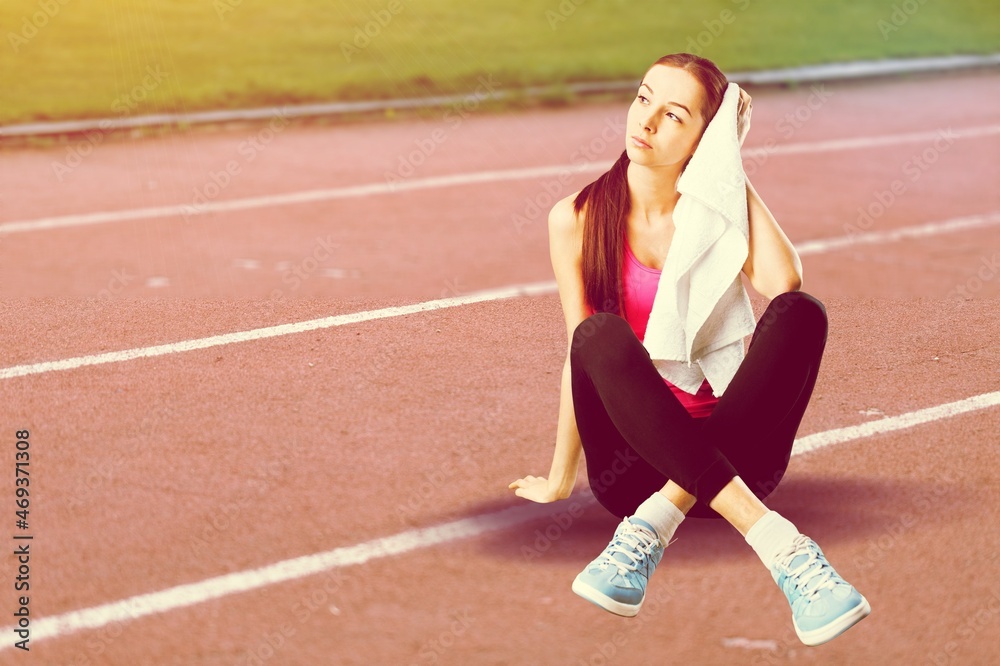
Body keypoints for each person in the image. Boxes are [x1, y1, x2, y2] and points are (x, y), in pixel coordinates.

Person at [508, 53, 870, 647]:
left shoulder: (712, 213)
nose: (646, 122)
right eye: (643, 97)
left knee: (803, 314)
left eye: (675, 115)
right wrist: (558, 476)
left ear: (706, 139)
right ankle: (782, 546)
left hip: (741, 456)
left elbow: (785, 283)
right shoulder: (575, 217)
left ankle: (650, 529)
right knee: (595, 335)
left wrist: (727, 168)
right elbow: (580, 361)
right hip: (630, 472)